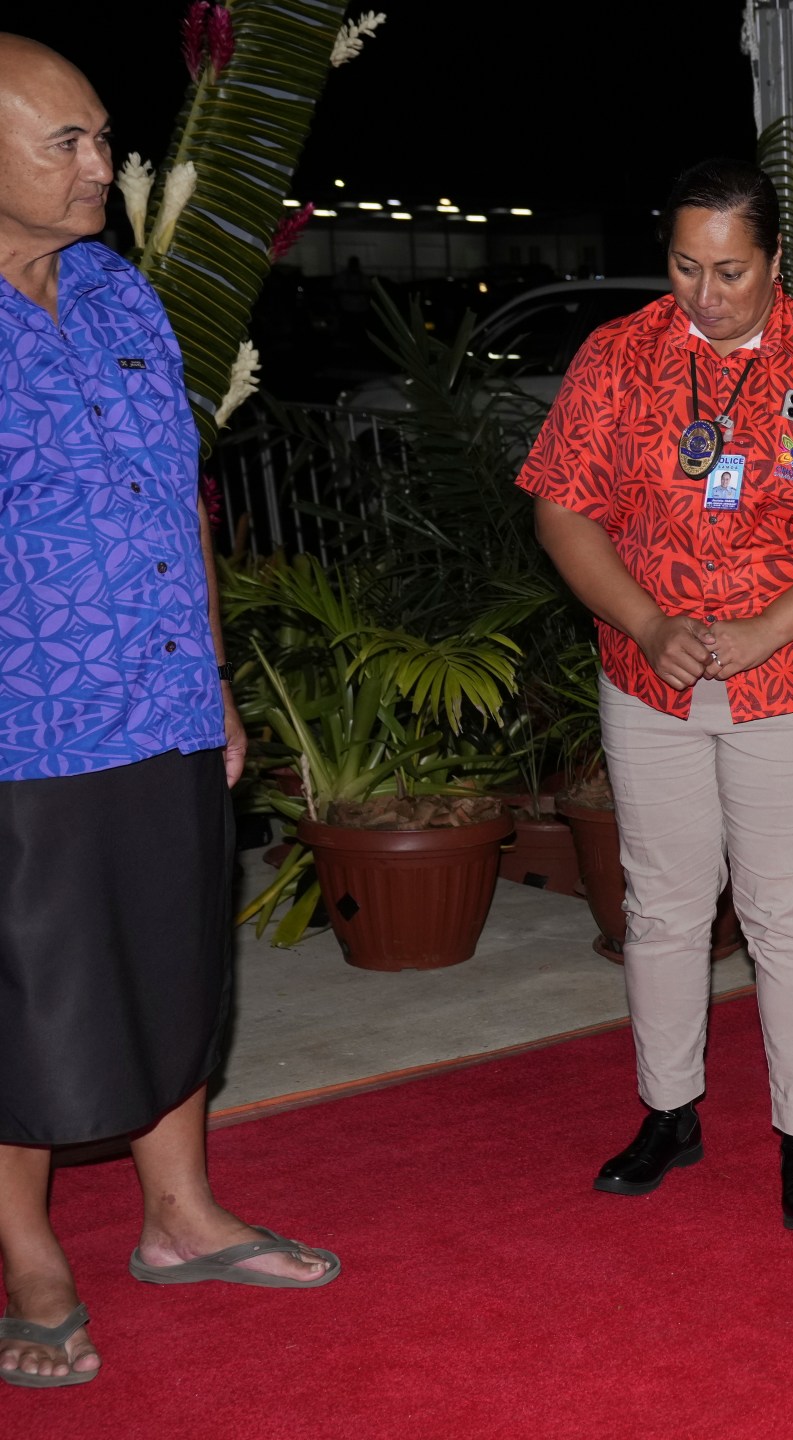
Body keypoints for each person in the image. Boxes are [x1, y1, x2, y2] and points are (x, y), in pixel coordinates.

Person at [0, 35, 338, 1391]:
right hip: (22, 729)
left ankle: (180, 1216)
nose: (98, 167)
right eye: (64, 144)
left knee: (175, 961)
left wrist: (210, 678)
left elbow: (177, 501)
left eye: (98, 137)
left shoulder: (122, 298)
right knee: (23, 994)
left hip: (160, 703)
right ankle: (27, 1252)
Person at [520, 157, 793, 1231]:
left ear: (777, 260)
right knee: (660, 909)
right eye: (686, 267)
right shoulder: (619, 356)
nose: (706, 294)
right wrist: (648, 623)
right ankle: (670, 1113)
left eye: (732, 271)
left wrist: (763, 632)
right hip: (648, 678)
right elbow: (564, 511)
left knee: (786, 915)